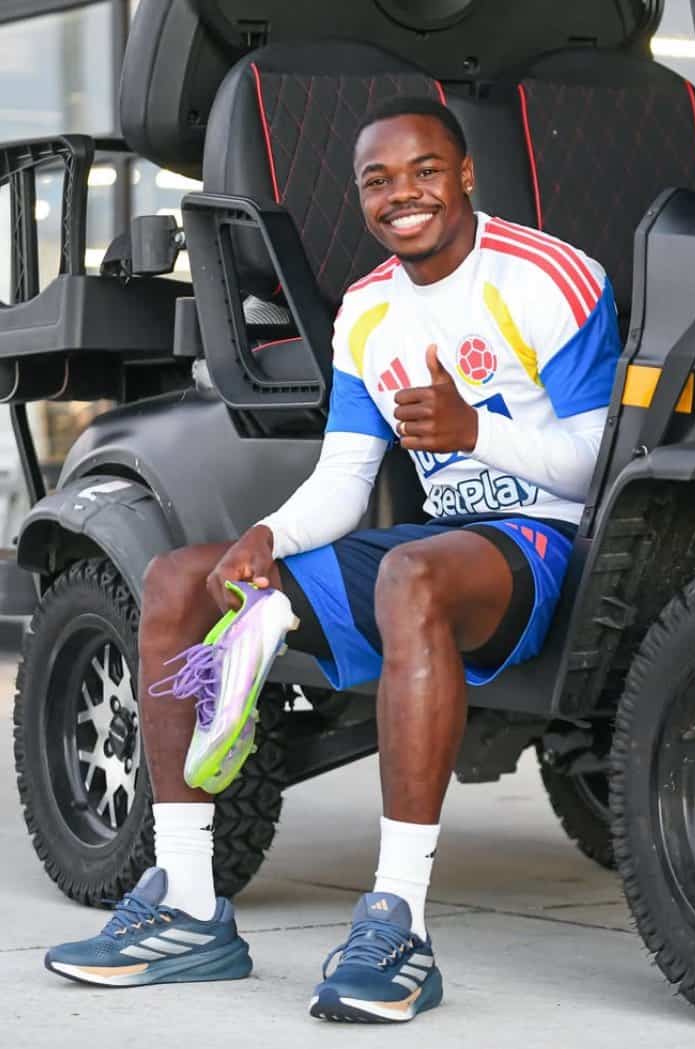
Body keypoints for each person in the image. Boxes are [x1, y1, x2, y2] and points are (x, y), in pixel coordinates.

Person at [45, 96, 621, 1021]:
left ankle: (399, 924)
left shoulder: (548, 276)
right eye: (378, 180)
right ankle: (190, 905)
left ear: (466, 174)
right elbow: (347, 480)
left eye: (425, 171)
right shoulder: (368, 311)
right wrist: (267, 540)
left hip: (546, 541)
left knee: (411, 570)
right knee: (177, 580)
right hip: (436, 549)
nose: (404, 194)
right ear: (360, 197)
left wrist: (478, 432)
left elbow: (601, 461)